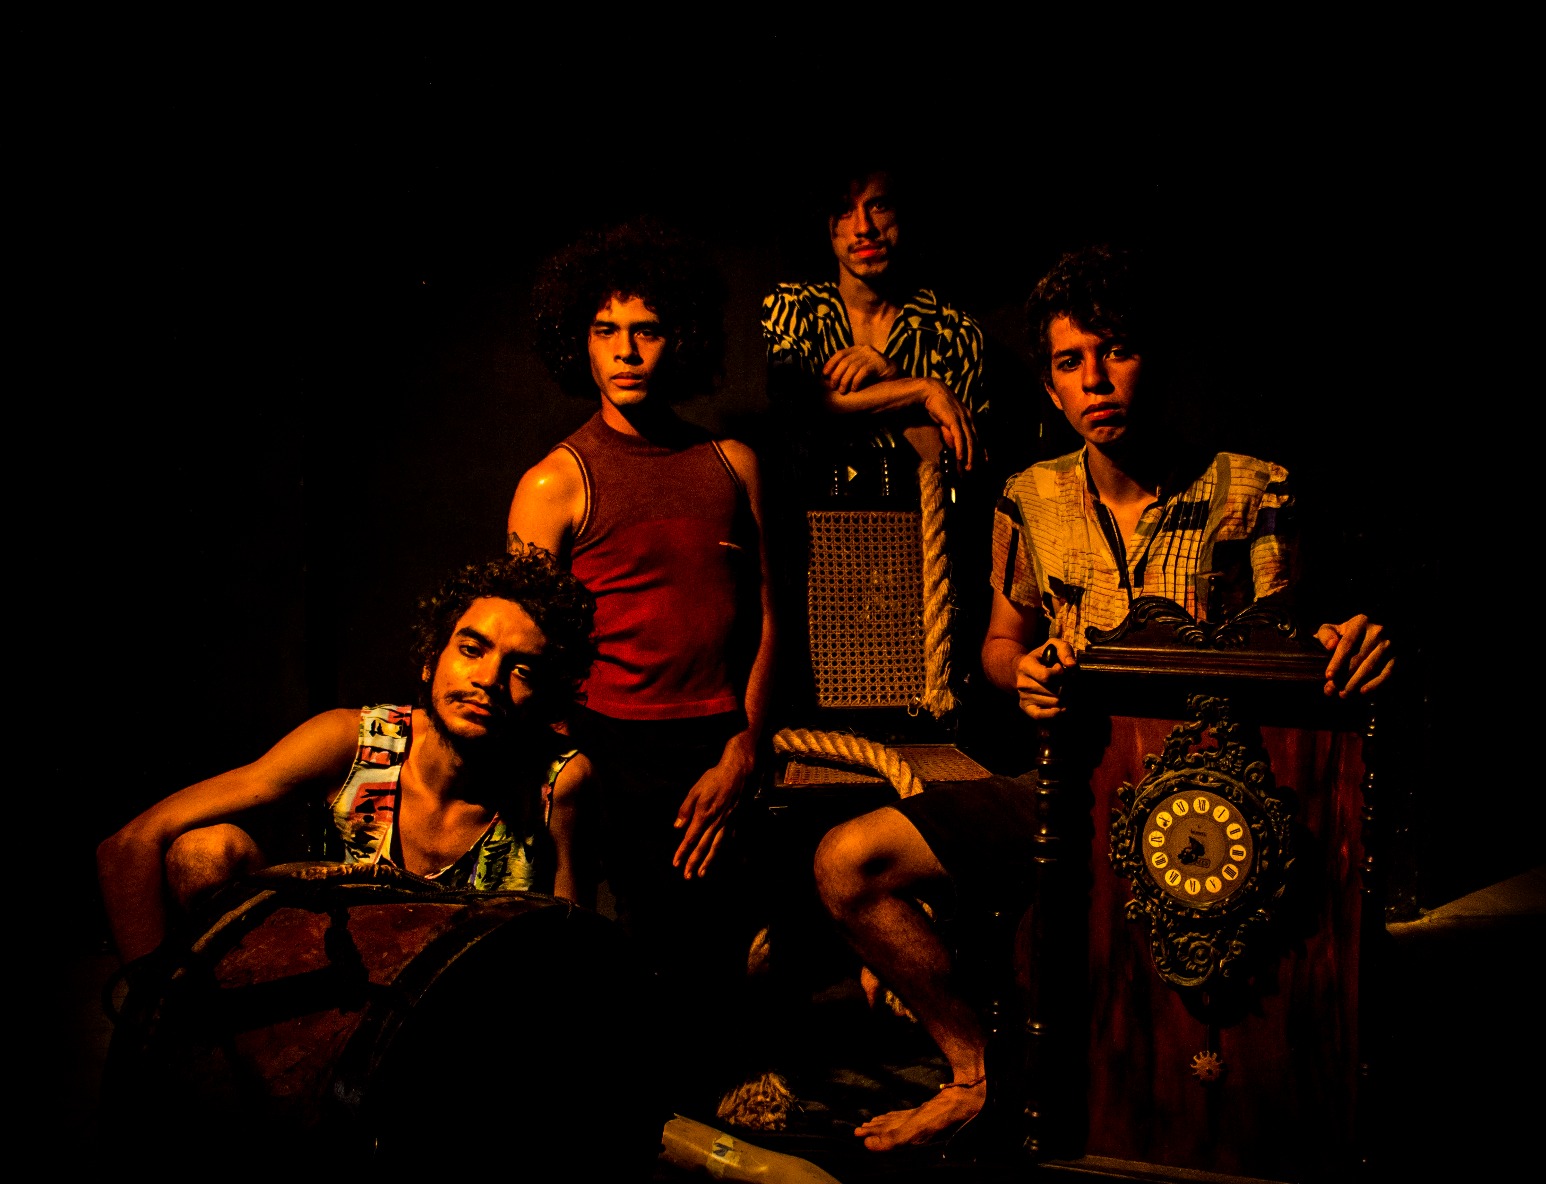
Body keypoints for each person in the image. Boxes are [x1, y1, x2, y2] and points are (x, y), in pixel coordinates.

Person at [811, 243, 1396, 1152]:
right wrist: (1027, 673)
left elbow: (1291, 653)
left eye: (1116, 351)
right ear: (1050, 387)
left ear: (1154, 359)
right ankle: (974, 1073)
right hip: (1073, 787)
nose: (1095, 379)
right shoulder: (1030, 497)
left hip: (1206, 804)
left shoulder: (1251, 488)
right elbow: (999, 646)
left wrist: (1344, 644)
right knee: (849, 862)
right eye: (1070, 361)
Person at [506, 219, 777, 1115]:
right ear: (578, 340)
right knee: (624, 971)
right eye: (606, 329)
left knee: (730, 960)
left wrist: (745, 747)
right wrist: (566, 773)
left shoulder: (732, 465)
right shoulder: (554, 482)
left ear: (681, 337)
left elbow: (770, 621)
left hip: (718, 746)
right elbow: (521, 652)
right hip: (607, 750)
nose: (626, 350)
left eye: (647, 329)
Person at [97, 550, 599, 966]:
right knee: (204, 851)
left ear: (548, 698)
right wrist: (152, 1014)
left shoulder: (556, 781)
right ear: (431, 660)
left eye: (522, 670)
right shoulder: (354, 741)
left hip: (461, 1014)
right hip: (332, 991)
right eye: (471, 649)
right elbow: (129, 845)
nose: (488, 680)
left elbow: (572, 954)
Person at [760, 161, 984, 478]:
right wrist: (921, 390)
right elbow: (799, 404)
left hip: (922, 508)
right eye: (844, 210)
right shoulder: (795, 308)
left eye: (879, 206)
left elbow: (960, 469)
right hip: (810, 507)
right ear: (824, 221)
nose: (863, 227)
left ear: (903, 212)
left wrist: (893, 376)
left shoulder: (951, 332)